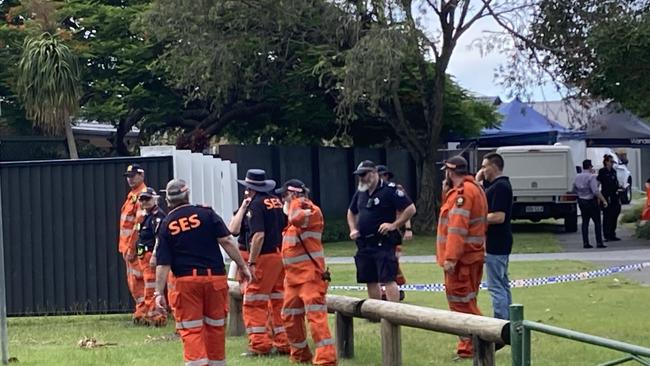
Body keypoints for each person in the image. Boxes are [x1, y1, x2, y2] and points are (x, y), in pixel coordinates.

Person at [154, 179, 253, 366]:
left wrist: (158, 292)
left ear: (168, 201)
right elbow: (227, 241)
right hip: (215, 279)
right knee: (215, 326)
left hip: (187, 282)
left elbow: (163, 264)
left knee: (192, 329)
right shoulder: (206, 214)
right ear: (187, 194)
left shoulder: (167, 224)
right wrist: (242, 266)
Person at [276, 179, 337, 366]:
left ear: (293, 194)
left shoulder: (311, 211)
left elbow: (297, 217)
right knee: (289, 317)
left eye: (284, 195)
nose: (282, 200)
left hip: (310, 277)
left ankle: (326, 359)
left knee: (316, 319)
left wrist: (295, 200)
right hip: (293, 280)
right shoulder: (293, 219)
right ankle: (300, 355)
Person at [437, 155, 488, 359]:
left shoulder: (462, 194)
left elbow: (457, 228)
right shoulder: (474, 189)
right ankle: (471, 346)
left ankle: (480, 341)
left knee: (460, 304)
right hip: (471, 258)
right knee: (468, 301)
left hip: (461, 261)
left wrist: (450, 258)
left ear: (450, 171)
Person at [237, 169, 290, 356]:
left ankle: (259, 345)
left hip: (264, 257)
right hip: (279, 255)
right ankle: (284, 342)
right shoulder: (276, 202)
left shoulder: (256, 205)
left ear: (250, 188)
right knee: (278, 298)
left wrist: (251, 262)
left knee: (253, 301)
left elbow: (258, 235)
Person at [346, 160, 416, 302]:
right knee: (369, 279)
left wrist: (394, 225)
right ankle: (375, 313)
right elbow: (351, 211)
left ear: (373, 173)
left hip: (383, 241)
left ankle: (392, 315)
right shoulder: (361, 192)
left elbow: (410, 209)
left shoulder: (390, 190)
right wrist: (353, 229)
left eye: (364, 174)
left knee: (388, 278)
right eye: (359, 175)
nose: (361, 178)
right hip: (365, 242)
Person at [476, 152, 513, 320]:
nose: (482, 170)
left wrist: (477, 220)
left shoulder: (501, 186)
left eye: (484, 166)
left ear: (494, 166)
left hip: (497, 243)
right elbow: (482, 193)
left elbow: (499, 216)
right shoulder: (494, 186)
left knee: (496, 285)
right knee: (502, 283)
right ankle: (510, 320)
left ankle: (501, 322)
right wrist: (478, 180)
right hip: (497, 242)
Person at [118, 163, 148, 323]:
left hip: (134, 248)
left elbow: (138, 224)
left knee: (139, 280)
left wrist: (131, 248)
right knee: (133, 281)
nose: (130, 179)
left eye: (133, 176)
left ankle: (144, 312)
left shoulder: (142, 195)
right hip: (127, 247)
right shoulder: (133, 195)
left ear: (141, 175)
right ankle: (141, 311)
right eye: (128, 176)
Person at [376, 164, 411, 301]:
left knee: (392, 263)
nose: (383, 178)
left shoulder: (395, 191)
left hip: (393, 233)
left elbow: (406, 210)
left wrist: (407, 229)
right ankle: (386, 291)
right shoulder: (371, 192)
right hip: (377, 235)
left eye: (385, 176)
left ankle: (395, 289)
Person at [135, 187, 168, 326]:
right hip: (143, 255)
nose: (144, 202)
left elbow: (159, 238)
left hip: (150, 256)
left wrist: (155, 255)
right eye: (141, 199)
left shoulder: (158, 216)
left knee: (151, 286)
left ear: (155, 199)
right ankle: (148, 312)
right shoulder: (146, 216)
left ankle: (156, 316)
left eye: (147, 199)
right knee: (146, 285)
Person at [573, 160, 608, 249]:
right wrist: (603, 200)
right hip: (591, 201)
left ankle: (585, 242)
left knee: (585, 222)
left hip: (582, 201)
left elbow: (574, 189)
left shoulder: (577, 177)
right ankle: (599, 242)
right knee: (597, 222)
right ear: (589, 167)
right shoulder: (591, 177)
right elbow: (595, 191)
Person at [598, 155, 622, 241]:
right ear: (606, 162)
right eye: (611, 162)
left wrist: (620, 187)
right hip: (606, 196)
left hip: (614, 195)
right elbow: (599, 183)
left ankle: (612, 233)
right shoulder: (602, 171)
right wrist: (599, 196)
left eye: (613, 162)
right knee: (607, 216)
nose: (612, 164)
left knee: (615, 214)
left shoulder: (613, 171)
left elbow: (615, 182)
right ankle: (606, 234)